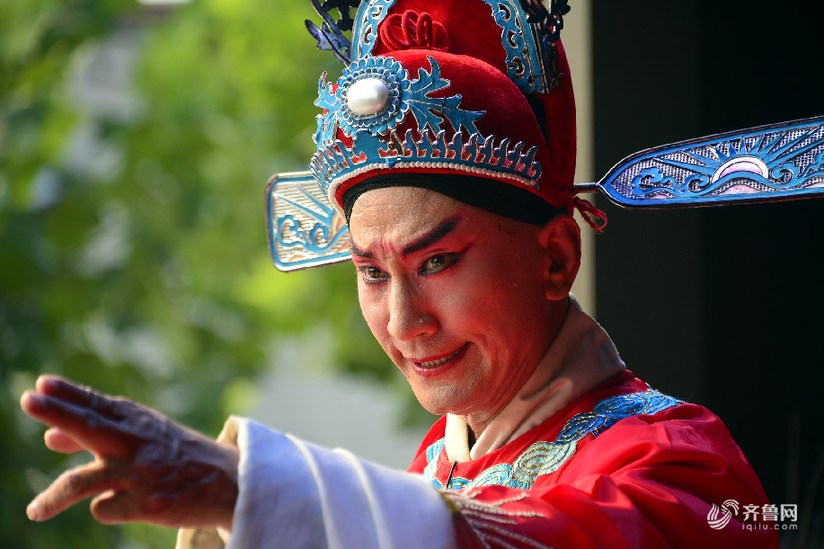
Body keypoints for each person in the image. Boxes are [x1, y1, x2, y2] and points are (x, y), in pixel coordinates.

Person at [20, 1, 780, 547]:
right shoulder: (437, 467)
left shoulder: (680, 466)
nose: (404, 321)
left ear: (556, 256)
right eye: (372, 272)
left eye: (437, 261)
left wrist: (253, 491)